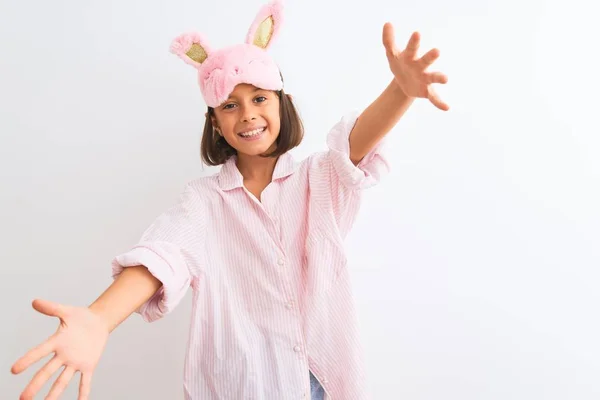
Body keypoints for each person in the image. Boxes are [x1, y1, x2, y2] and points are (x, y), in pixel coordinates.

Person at [10, 0, 449, 399]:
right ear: (216, 122)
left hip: (324, 382)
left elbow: (355, 146)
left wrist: (400, 91)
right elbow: (164, 255)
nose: (248, 114)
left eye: (259, 98)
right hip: (244, 385)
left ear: (282, 104)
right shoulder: (203, 202)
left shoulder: (318, 178)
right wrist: (99, 319)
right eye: (230, 105)